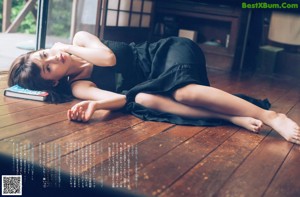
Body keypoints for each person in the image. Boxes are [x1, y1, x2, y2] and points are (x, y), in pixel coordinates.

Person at [8, 31, 300, 145]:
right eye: (48, 68)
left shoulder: (81, 40)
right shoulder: (80, 86)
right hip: (155, 86)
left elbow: (108, 58)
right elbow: (123, 99)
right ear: (54, 81)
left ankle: (272, 116)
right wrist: (97, 105)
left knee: (183, 91)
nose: (52, 58)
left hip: (167, 52)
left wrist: (66, 46)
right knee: (142, 98)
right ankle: (230, 115)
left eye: (45, 54)